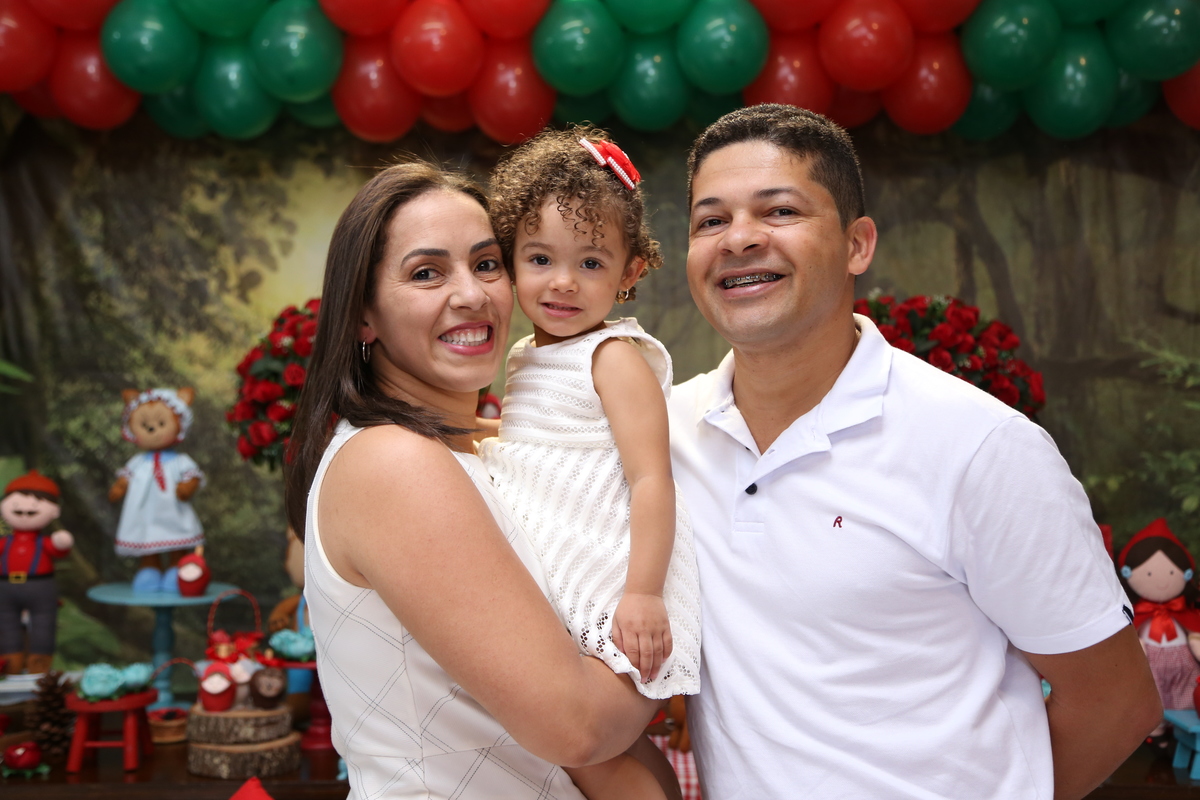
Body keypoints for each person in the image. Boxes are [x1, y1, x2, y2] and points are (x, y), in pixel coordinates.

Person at [666, 104, 1162, 800]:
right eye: (710, 221)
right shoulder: (662, 435)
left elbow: (1116, 702)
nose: (739, 238)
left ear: (857, 245)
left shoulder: (981, 446)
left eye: (779, 211)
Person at [284, 161, 675, 799]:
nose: (471, 294)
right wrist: (683, 634)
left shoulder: (480, 448)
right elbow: (577, 726)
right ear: (363, 316)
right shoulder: (393, 462)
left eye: (486, 263)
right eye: (426, 273)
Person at [479, 128, 701, 799]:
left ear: (630, 272)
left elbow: (651, 477)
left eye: (592, 263)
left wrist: (643, 593)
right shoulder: (525, 355)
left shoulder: (614, 358)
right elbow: (536, 444)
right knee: (610, 746)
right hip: (562, 556)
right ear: (509, 259)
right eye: (540, 258)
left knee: (586, 746)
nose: (563, 282)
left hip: (614, 572)